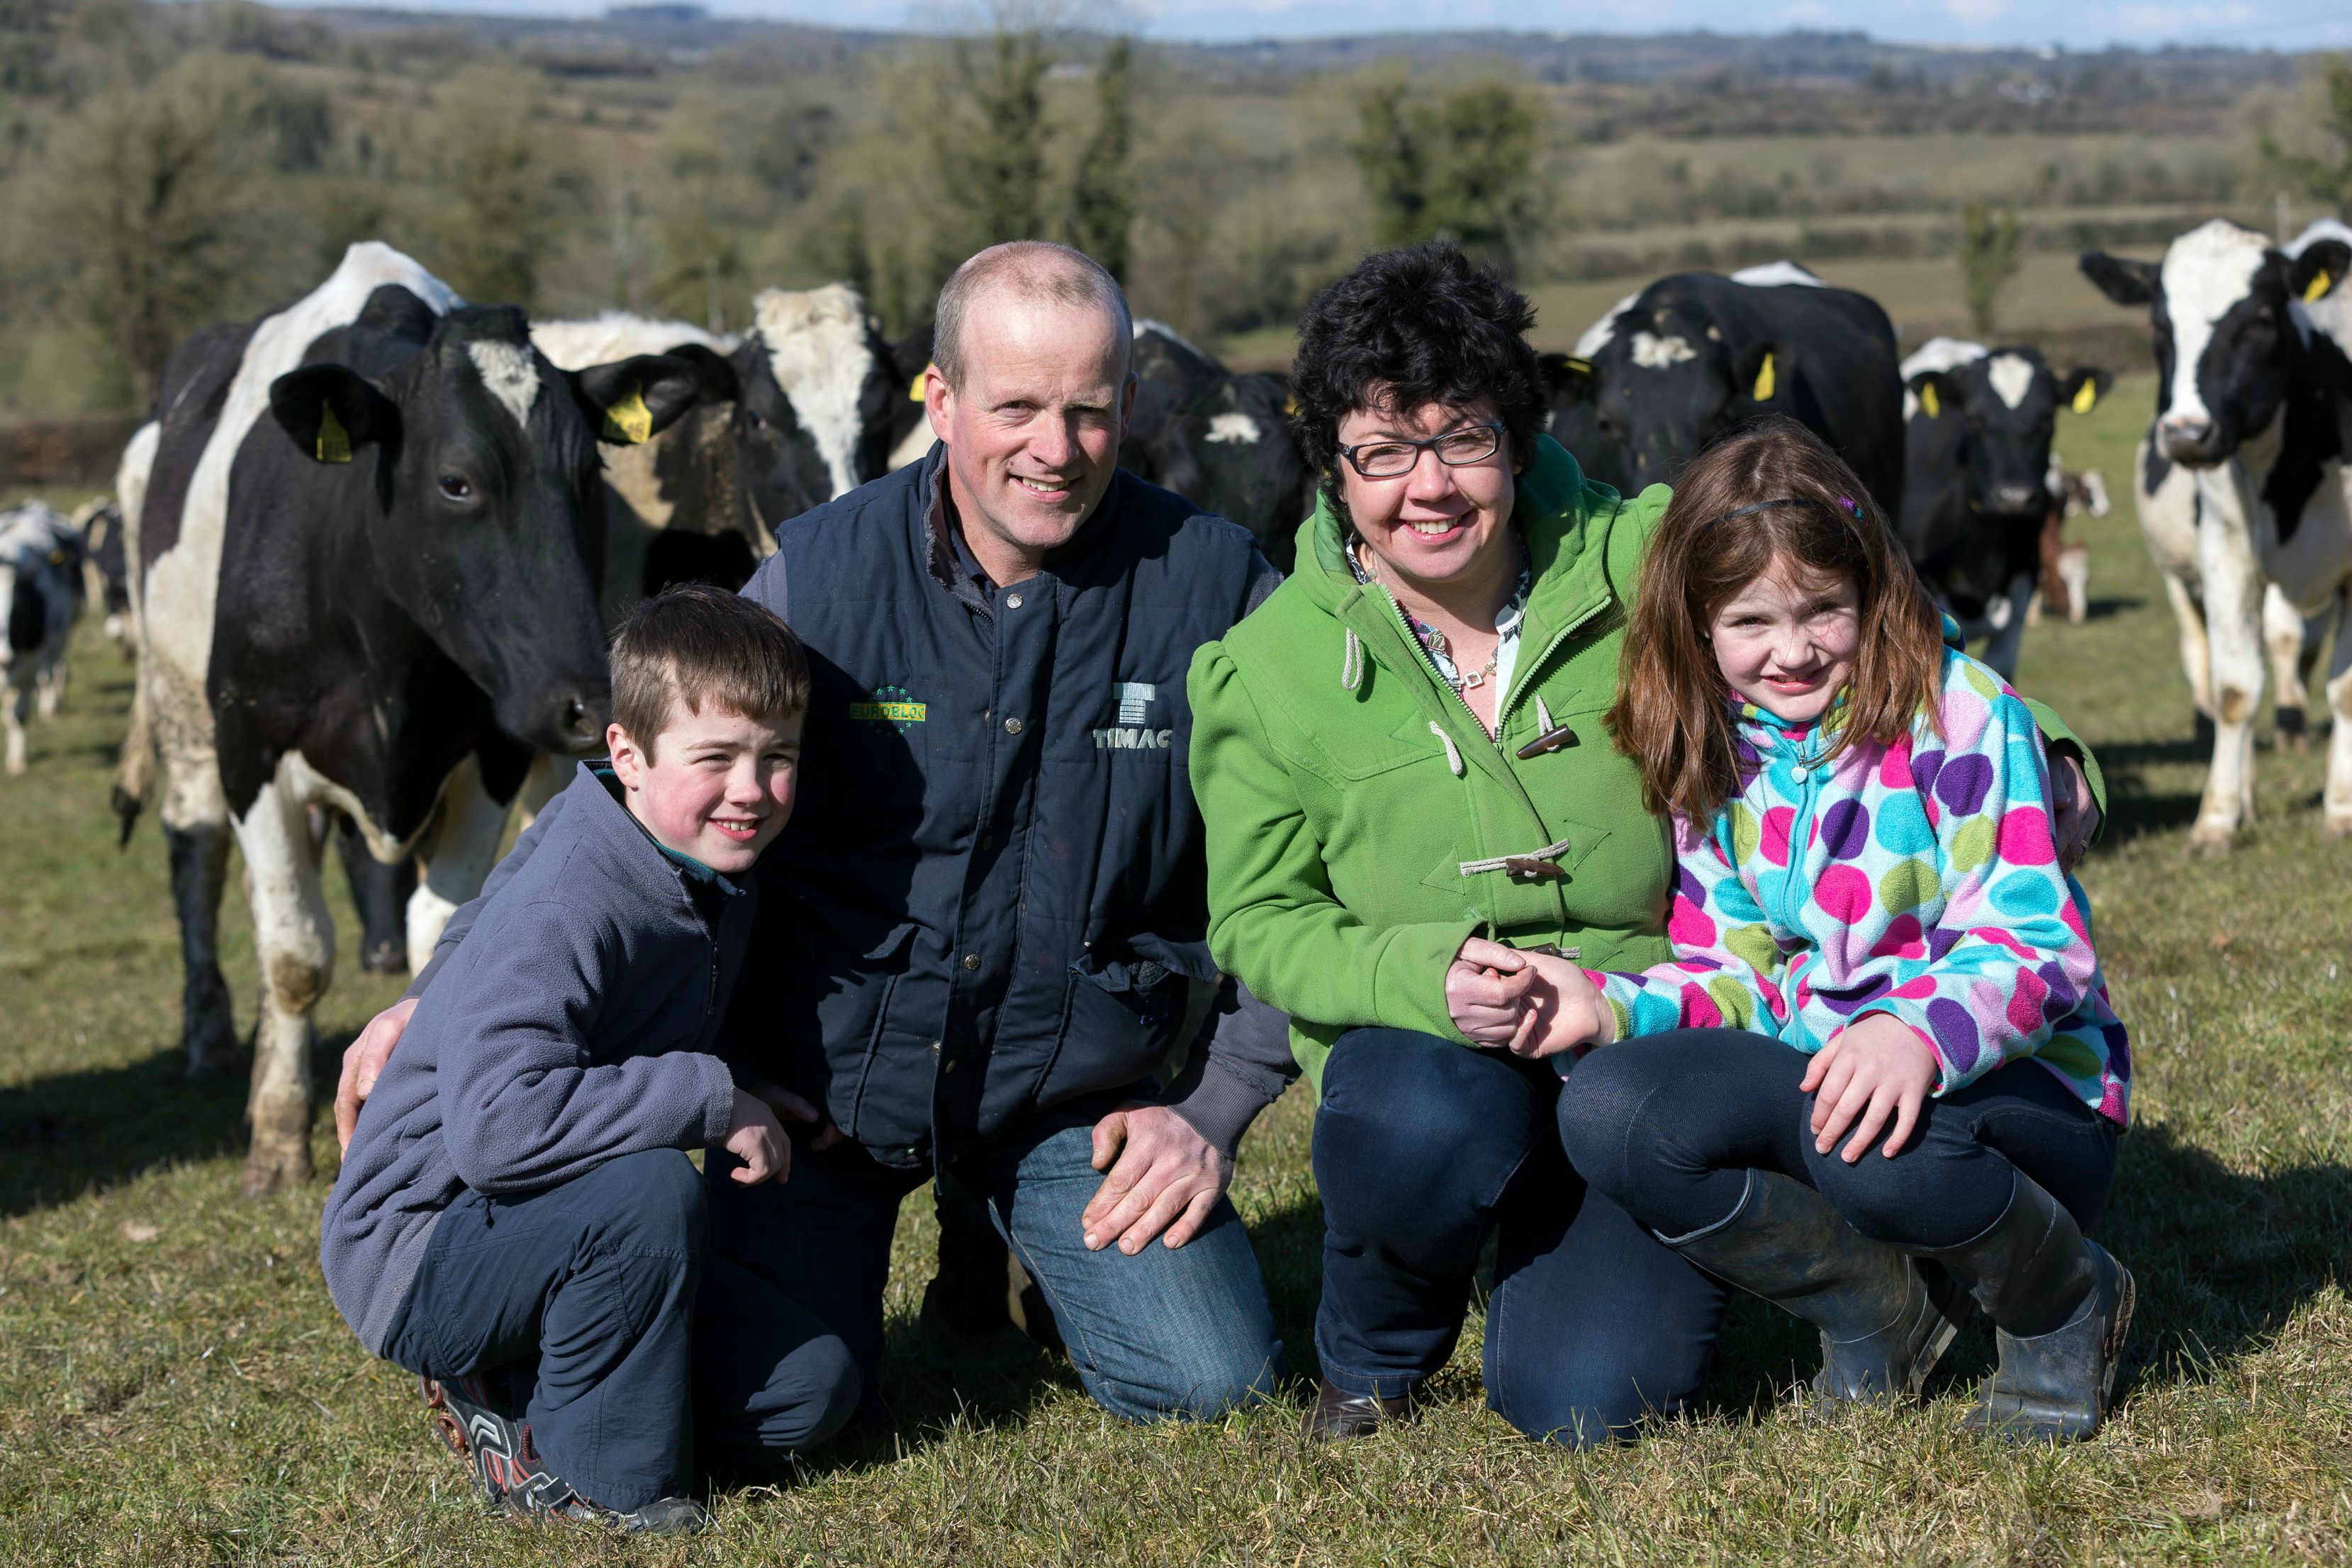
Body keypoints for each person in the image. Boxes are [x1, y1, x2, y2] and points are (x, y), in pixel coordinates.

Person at [337, 241, 1292, 1427]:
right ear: (937, 402)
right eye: (1016, 408)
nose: (1054, 449)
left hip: (1071, 1093)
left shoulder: (1216, 587)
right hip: (821, 1093)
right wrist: (448, 989)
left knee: (1211, 1382)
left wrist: (1214, 1106)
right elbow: (631, 796)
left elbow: (1309, 852)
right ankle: (508, 1360)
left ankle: (1026, 1237)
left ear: (1130, 409)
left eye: (1090, 413)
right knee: (775, 1419)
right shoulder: (824, 577)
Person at [1187, 241, 2107, 1445]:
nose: (1429, 485)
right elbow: (1256, 920)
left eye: (1462, 438)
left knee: (1582, 1405)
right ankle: (1372, 1353)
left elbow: (1883, 631)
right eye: (1382, 451)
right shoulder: (1264, 669)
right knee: (1409, 1118)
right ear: (1332, 466)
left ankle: (1875, 1290)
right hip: (1438, 1041)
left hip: (1643, 1027)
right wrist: (1420, 974)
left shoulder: (1655, 554)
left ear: (1516, 438)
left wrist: (2052, 767)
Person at [1547, 420, 2132, 1442]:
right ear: (1695, 625)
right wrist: (1608, 1004)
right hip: (1834, 1079)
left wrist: (1914, 1032)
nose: (1792, 650)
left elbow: (2037, 944)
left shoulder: (1961, 714)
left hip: (2022, 1085)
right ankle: (1877, 1310)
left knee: (1872, 1147)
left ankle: (2064, 1303)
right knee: (1606, 1107)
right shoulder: (1713, 751)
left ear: (1871, 591)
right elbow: (1735, 970)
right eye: (1751, 621)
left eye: (1824, 610)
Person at [319, 586, 860, 1535]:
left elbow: (627, 1009)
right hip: (422, 1247)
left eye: (778, 759)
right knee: (647, 1195)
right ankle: (584, 1481)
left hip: (542, 1219)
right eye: (716, 759)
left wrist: (740, 1073)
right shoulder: (576, 896)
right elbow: (497, 1131)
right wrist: (712, 1095)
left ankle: (523, 1378)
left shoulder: (681, 851)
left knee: (810, 1394)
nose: (751, 789)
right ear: (626, 754)